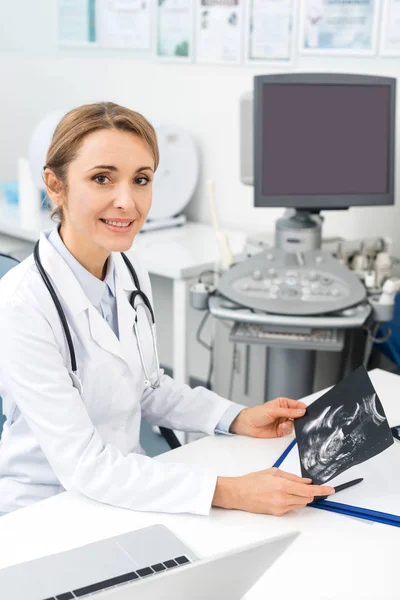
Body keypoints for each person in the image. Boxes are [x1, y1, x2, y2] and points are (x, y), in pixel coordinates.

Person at [0, 102, 334, 517]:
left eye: (141, 180)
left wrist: (238, 417)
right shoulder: (20, 305)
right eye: (102, 178)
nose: (127, 201)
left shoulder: (127, 266)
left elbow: (147, 387)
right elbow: (83, 465)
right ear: (55, 185)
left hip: (130, 484)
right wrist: (229, 491)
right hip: (45, 506)